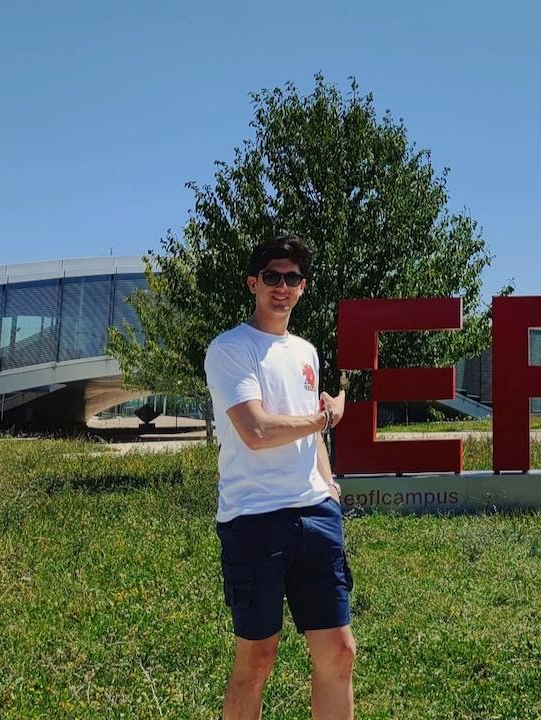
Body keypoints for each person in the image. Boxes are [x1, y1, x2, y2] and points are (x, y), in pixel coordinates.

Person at [204, 235, 354, 719]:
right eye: (272, 276)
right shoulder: (230, 348)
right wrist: (326, 418)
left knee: (339, 652)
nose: (282, 286)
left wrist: (329, 487)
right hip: (254, 520)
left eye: (292, 278)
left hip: (315, 516)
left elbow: (311, 436)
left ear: (303, 287)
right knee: (257, 659)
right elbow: (257, 429)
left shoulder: (307, 352)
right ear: (253, 283)